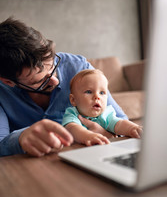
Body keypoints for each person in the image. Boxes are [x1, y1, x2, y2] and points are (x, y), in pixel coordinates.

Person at [0, 17, 127, 157]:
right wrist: (20, 139)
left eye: (53, 68)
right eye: (39, 81)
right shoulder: (3, 91)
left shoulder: (78, 67)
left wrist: (109, 132)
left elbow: (121, 121)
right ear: (8, 82)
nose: (55, 81)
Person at [62, 69, 143, 146]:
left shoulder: (106, 114)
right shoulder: (72, 114)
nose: (97, 97)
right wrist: (88, 136)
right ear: (73, 100)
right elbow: (72, 128)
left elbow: (119, 124)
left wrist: (132, 128)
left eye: (102, 92)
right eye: (89, 92)